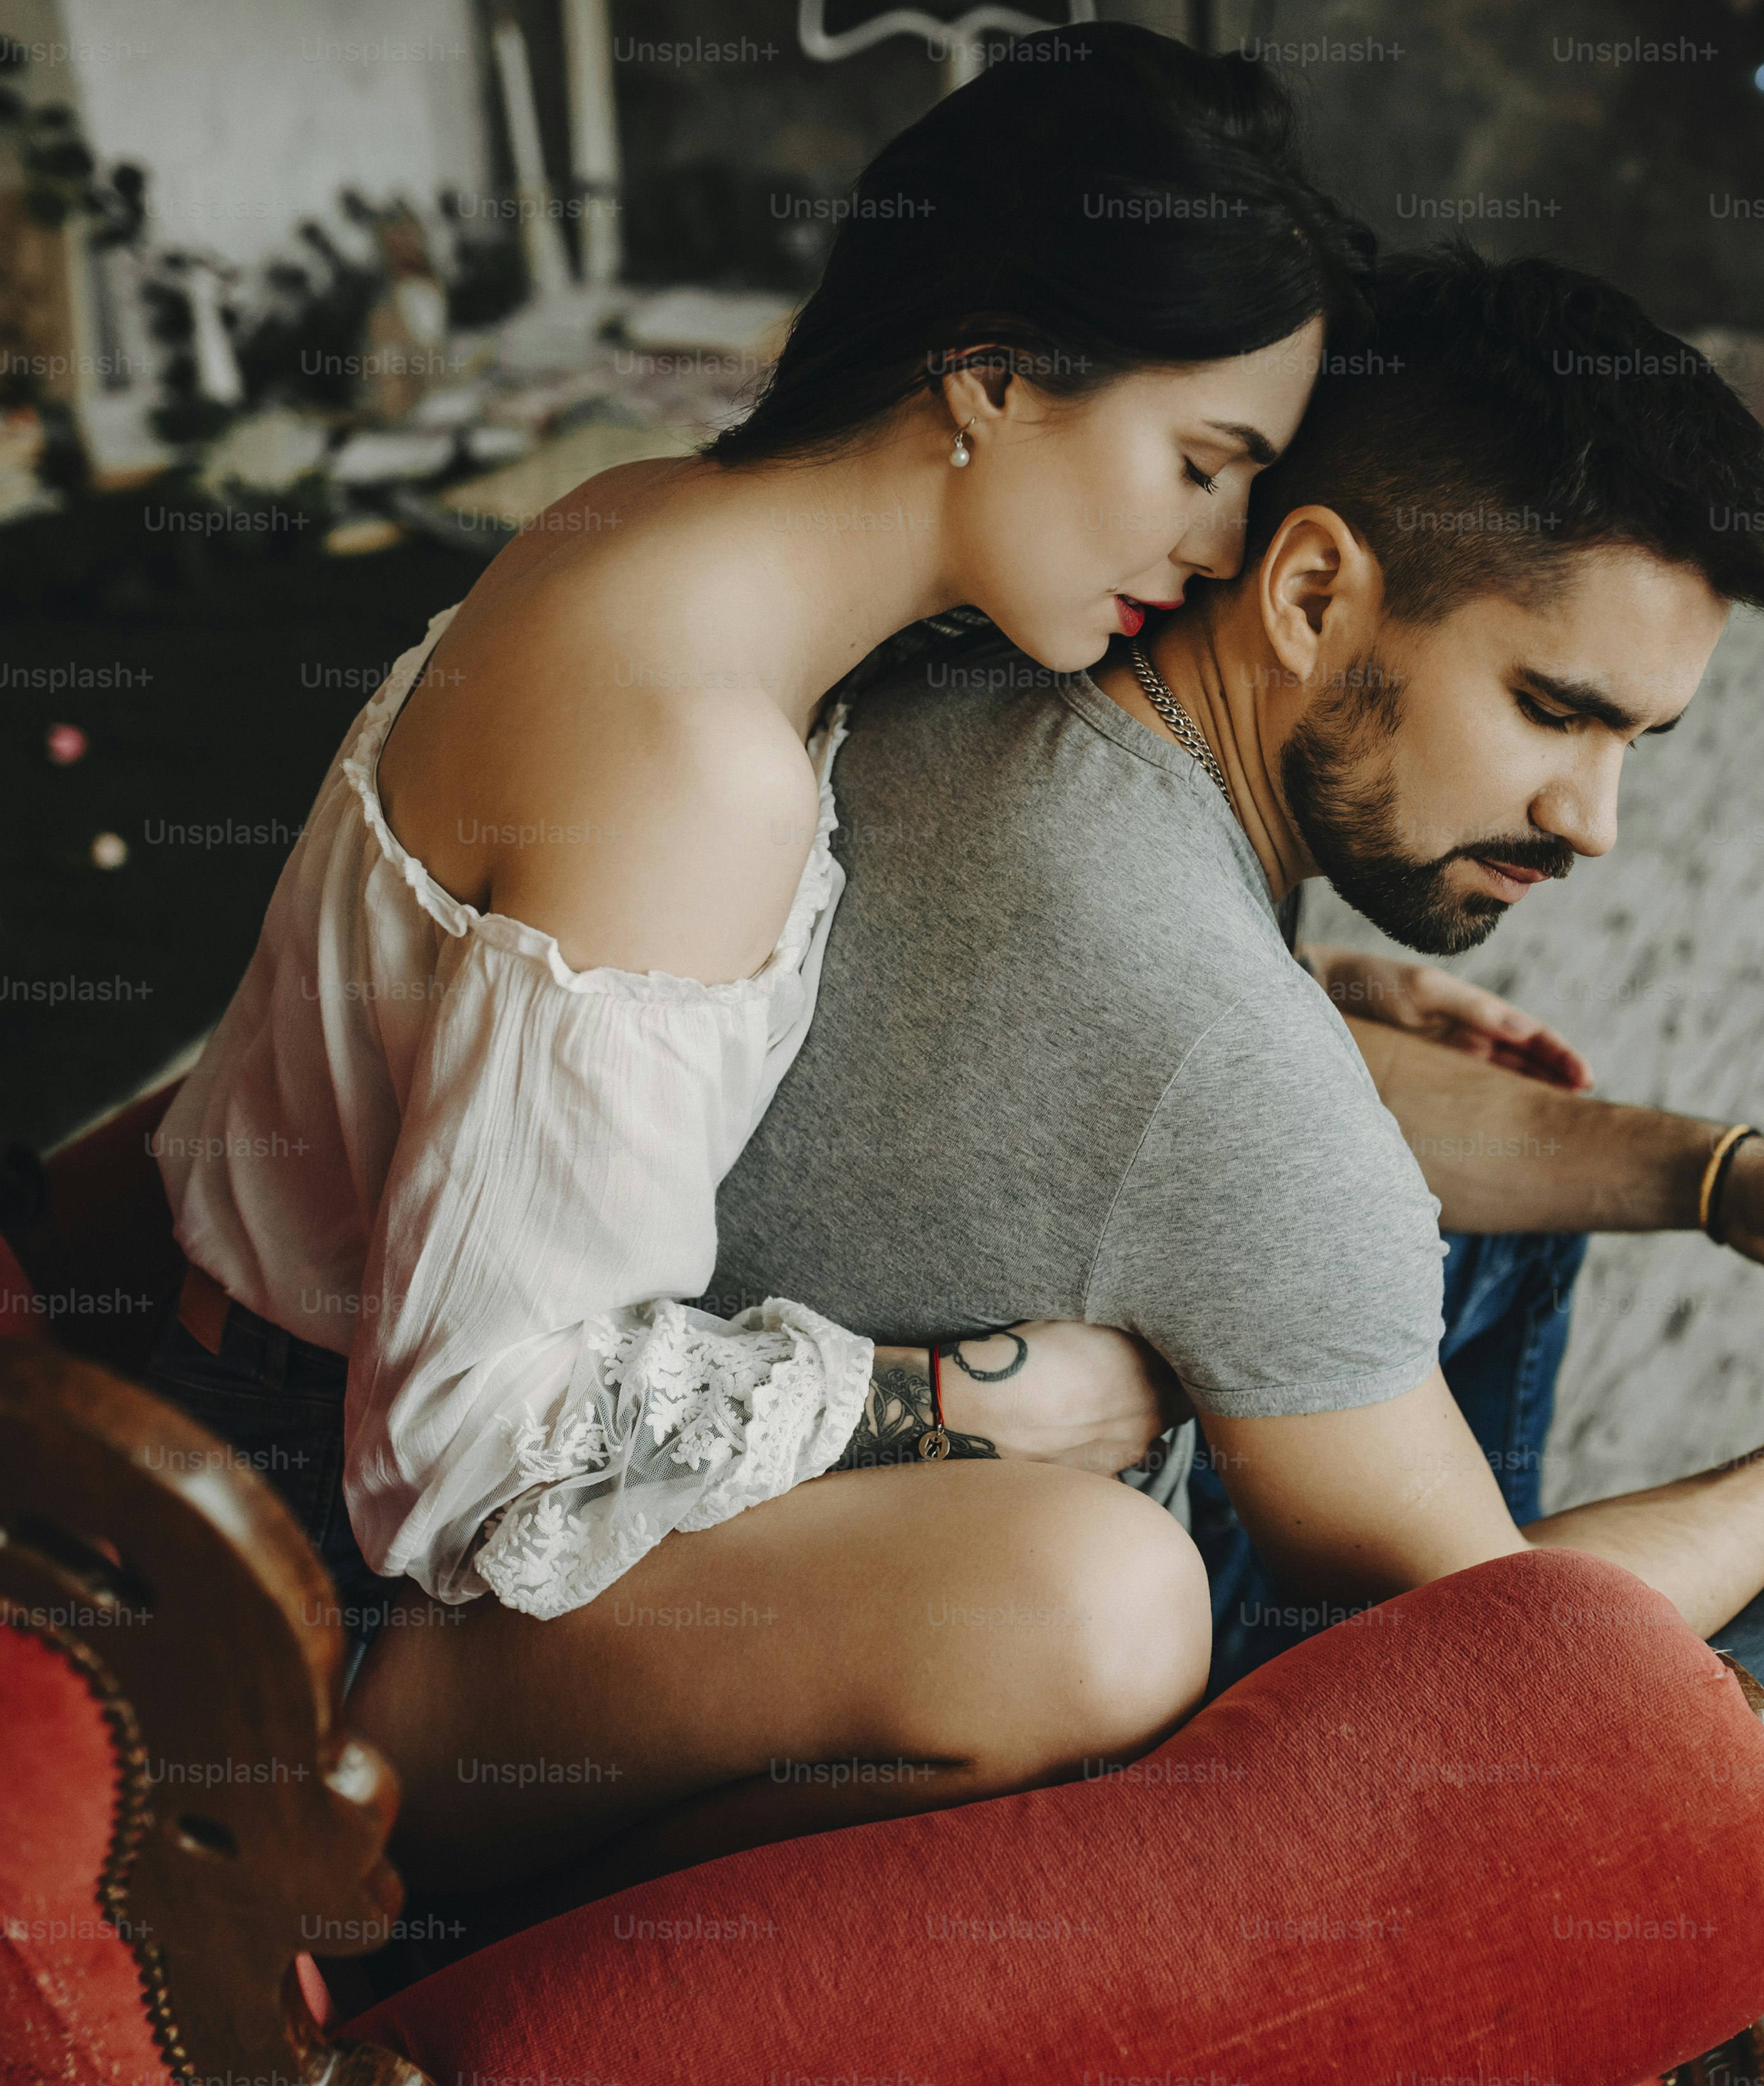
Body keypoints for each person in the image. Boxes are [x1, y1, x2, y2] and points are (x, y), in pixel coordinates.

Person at [699, 243, 1764, 2017]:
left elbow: (1232, 1118)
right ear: (1316, 590)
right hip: (993, 1765)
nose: (1596, 819)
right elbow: (1506, 1647)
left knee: (1507, 1193)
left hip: (847, 1552)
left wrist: (1715, 1179)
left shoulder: (1004, 651)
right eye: (1553, 712)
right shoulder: (1226, 1058)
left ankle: (1415, 1490)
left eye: (1640, 738)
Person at [143, 22, 1380, 1904]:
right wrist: (955, 1398)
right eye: (1203, 466)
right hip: (315, 1596)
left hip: (257, 1408)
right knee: (1100, 1606)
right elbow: (466, 1445)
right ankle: (463, 1957)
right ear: (989, 372)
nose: (1217, 549)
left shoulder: (657, 520)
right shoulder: (689, 753)